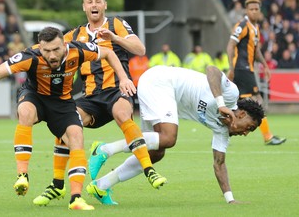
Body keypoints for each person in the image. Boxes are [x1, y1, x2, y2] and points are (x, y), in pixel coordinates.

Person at [0, 26, 136, 210]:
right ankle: (22, 175)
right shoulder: (30, 56)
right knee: (25, 112)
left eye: (56, 49)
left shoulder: (78, 50)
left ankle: (76, 198)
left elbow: (108, 53)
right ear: (40, 48)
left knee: (76, 136)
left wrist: (123, 78)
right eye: (47, 51)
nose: (52, 55)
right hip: (36, 96)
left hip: (62, 103)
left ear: (64, 44)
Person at [33, 0, 167, 206]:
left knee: (123, 114)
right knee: (65, 124)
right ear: (84, 7)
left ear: (104, 5)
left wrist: (114, 38)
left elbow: (140, 49)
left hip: (116, 90)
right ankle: (57, 185)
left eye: (97, 1)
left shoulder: (117, 25)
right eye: (89, 2)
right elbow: (51, 51)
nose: (94, 5)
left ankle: (149, 170)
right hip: (90, 98)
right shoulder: (74, 35)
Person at [85, 65, 265, 205]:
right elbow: (212, 70)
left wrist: (230, 199)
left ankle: (101, 186)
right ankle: (104, 149)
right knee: (169, 138)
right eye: (248, 127)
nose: (245, 133)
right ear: (241, 115)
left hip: (158, 93)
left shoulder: (221, 132)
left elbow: (219, 164)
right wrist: (220, 103)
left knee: (156, 152)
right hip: (160, 81)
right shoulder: (230, 94)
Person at [227, 0, 286, 145]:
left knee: (234, 102)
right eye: (251, 9)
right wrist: (231, 67)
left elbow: (257, 50)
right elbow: (230, 45)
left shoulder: (255, 28)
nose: (254, 12)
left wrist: (265, 65)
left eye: (256, 9)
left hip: (248, 69)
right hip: (242, 69)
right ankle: (268, 137)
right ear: (246, 11)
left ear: (260, 11)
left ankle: (224, 131)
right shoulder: (242, 25)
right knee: (257, 101)